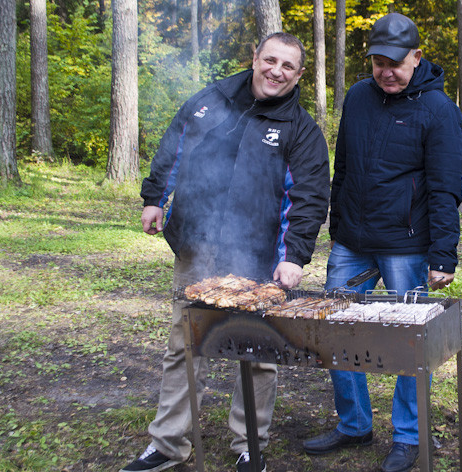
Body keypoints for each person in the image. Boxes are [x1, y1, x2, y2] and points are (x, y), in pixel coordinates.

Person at [121, 33, 330, 472]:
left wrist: (293, 256)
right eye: (270, 60)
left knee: (259, 353)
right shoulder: (210, 100)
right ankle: (168, 445)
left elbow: (309, 198)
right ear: (254, 57)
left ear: (299, 75)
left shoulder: (302, 130)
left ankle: (249, 444)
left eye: (288, 66)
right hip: (196, 245)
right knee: (185, 343)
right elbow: (174, 145)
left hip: (261, 256)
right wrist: (155, 196)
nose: (276, 71)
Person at [301, 13, 462, 472]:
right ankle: (354, 424)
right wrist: (337, 227)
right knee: (335, 330)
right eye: (377, 62)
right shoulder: (357, 97)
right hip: (352, 240)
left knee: (406, 341)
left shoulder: (438, 109)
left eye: (394, 62)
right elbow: (345, 167)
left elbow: (445, 186)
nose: (386, 71)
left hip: (406, 245)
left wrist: (443, 252)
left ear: (416, 56)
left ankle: (408, 436)